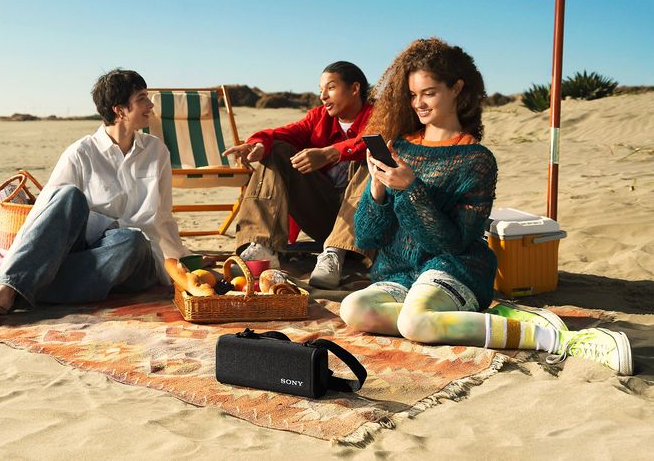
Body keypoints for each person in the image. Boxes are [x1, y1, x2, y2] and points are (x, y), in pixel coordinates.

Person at [339, 37, 632, 375]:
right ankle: (481, 320)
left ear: (457, 89)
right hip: (403, 274)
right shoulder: (398, 148)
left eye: (429, 92)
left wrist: (411, 188)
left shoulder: (476, 160)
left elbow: (450, 243)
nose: (419, 103)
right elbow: (366, 236)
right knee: (354, 309)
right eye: (413, 94)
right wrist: (377, 187)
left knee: (415, 323)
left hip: (454, 267)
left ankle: (554, 338)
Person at [0, 68, 198, 330]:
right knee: (66, 195)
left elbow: (163, 215)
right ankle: (9, 285)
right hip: (88, 249)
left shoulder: (156, 151)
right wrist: (12, 263)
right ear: (119, 110)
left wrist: (179, 263)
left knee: (131, 239)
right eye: (142, 98)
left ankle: (11, 288)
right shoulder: (80, 153)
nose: (150, 104)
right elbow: (44, 213)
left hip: (135, 255)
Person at [222, 61, 374, 289]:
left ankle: (335, 252)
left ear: (354, 89)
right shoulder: (319, 117)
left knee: (373, 152)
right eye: (320, 89)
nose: (323, 96)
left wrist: (330, 153)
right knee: (277, 148)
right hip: (323, 214)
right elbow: (280, 133)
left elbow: (381, 137)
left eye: (330, 88)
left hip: (364, 224)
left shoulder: (379, 114)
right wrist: (258, 144)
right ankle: (261, 246)